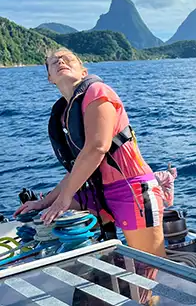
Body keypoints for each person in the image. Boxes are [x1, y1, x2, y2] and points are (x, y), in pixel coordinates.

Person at [14, 48, 166, 258]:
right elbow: (79, 167)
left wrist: (63, 199)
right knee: (50, 224)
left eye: (68, 58)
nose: (61, 61)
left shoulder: (97, 92)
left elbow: (97, 147)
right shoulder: (63, 115)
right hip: (96, 191)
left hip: (129, 188)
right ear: (50, 77)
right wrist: (45, 202)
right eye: (54, 61)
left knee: (151, 266)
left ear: (84, 72)